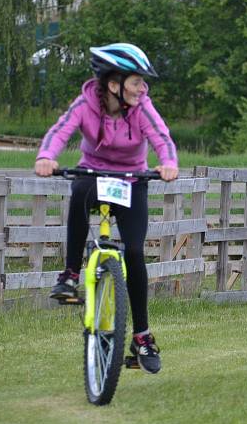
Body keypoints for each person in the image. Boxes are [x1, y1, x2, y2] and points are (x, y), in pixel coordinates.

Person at [34, 43, 178, 374]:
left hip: (132, 180)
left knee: (135, 253)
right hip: (94, 173)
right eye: (135, 81)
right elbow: (60, 131)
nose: (142, 88)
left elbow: (162, 138)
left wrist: (168, 163)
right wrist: (46, 156)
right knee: (79, 190)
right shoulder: (86, 103)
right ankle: (70, 275)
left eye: (142, 82)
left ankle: (141, 335)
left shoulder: (142, 107)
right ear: (114, 84)